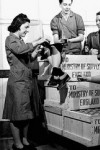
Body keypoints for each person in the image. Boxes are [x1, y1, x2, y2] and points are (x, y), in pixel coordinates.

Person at [2, 13, 47, 150]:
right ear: (18, 25)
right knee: (16, 115)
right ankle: (17, 143)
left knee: (26, 113)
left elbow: (29, 59)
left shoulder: (21, 40)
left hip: (26, 82)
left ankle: (25, 140)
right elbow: (20, 50)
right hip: (17, 82)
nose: (27, 30)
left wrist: (37, 50)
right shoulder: (10, 39)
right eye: (26, 27)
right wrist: (36, 42)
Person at [45, 0, 85, 88]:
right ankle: (59, 73)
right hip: (63, 49)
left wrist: (69, 40)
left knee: (55, 56)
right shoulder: (55, 19)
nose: (67, 7)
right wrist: (60, 41)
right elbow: (55, 39)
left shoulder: (78, 18)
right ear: (60, 4)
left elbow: (81, 37)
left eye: (69, 5)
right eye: (65, 4)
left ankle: (56, 74)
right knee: (50, 48)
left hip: (75, 49)